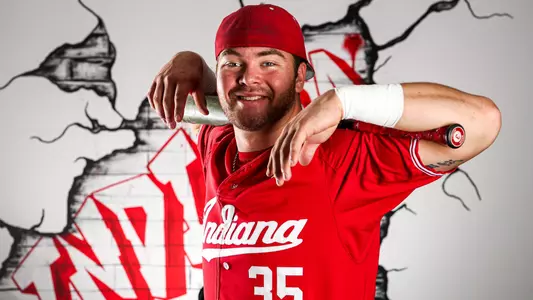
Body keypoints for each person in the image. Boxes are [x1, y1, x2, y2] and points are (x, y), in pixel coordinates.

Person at [147, 4, 501, 300]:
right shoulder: (218, 144)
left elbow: (482, 120)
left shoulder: (344, 159)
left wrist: (344, 100)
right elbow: (235, 100)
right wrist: (192, 62)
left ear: (301, 77)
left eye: (269, 63)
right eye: (233, 63)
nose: (248, 77)